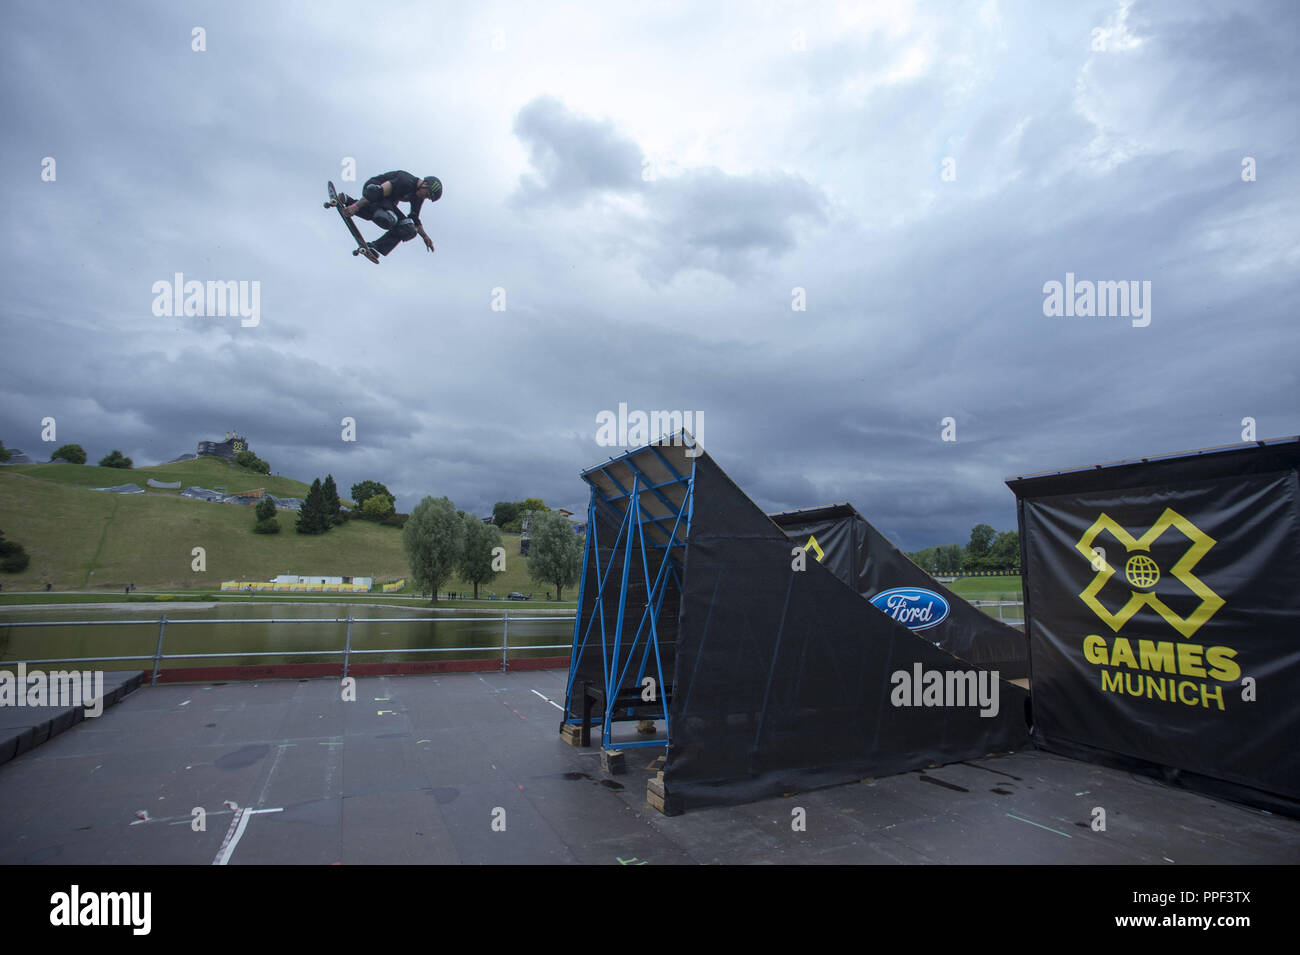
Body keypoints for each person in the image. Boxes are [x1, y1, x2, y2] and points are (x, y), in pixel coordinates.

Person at [340, 171, 441, 258]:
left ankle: (374, 247)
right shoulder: (406, 181)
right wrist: (355, 207)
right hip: (374, 190)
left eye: (428, 197)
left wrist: (425, 237)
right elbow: (378, 191)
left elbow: (414, 218)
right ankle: (350, 202)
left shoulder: (418, 197)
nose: (425, 197)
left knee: (409, 229)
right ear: (425, 183)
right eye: (427, 194)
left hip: (386, 202)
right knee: (388, 218)